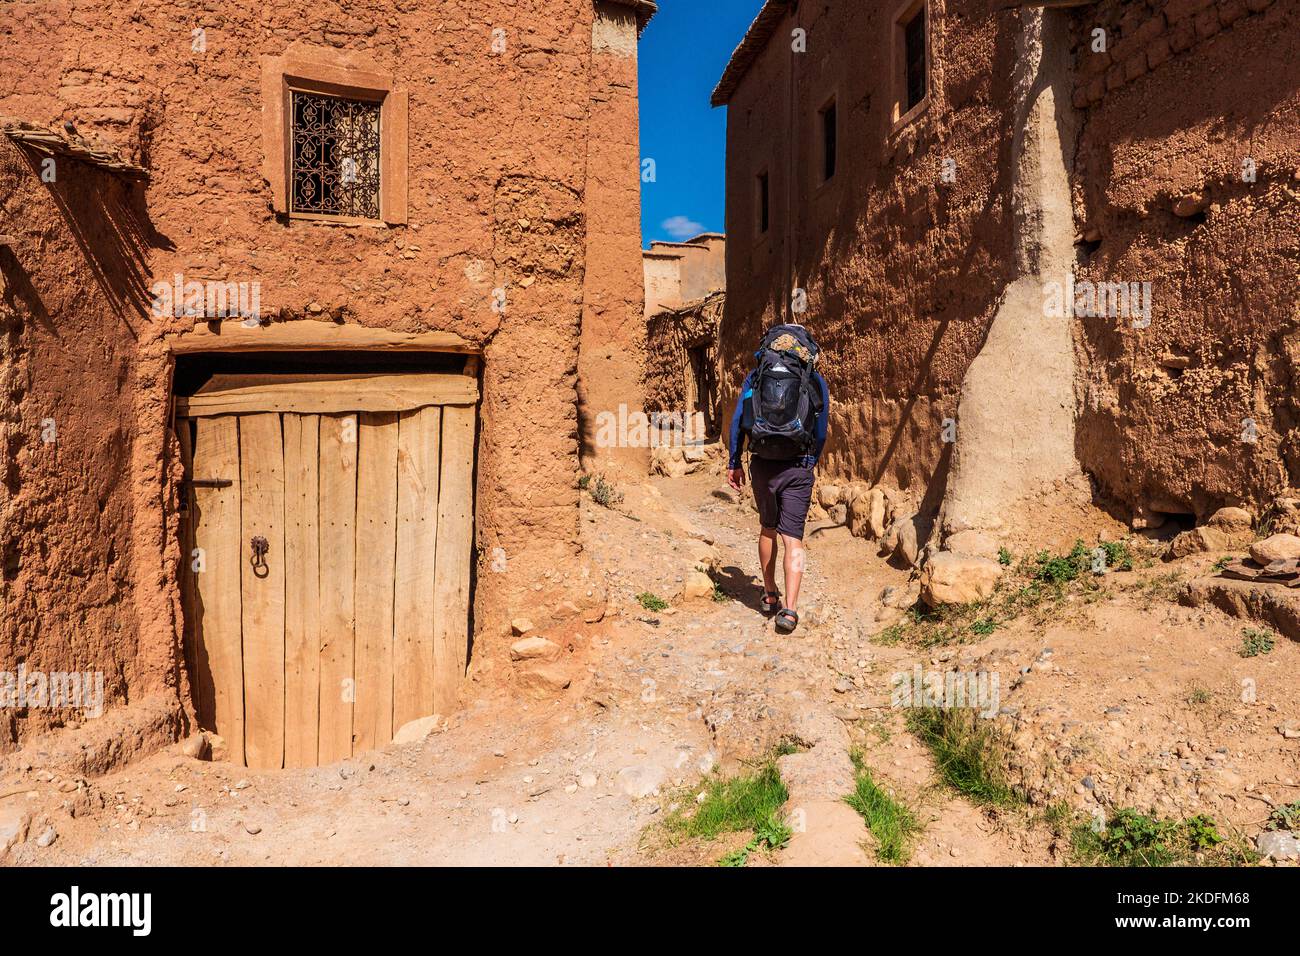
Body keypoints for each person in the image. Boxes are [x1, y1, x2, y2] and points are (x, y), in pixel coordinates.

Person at [725, 324, 830, 634]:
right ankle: (791, 609)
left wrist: (734, 462)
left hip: (763, 464)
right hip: (798, 464)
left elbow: (737, 421)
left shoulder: (756, 375)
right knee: (793, 539)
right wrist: (811, 460)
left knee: (768, 528)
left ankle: (770, 594)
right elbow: (821, 427)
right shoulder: (813, 378)